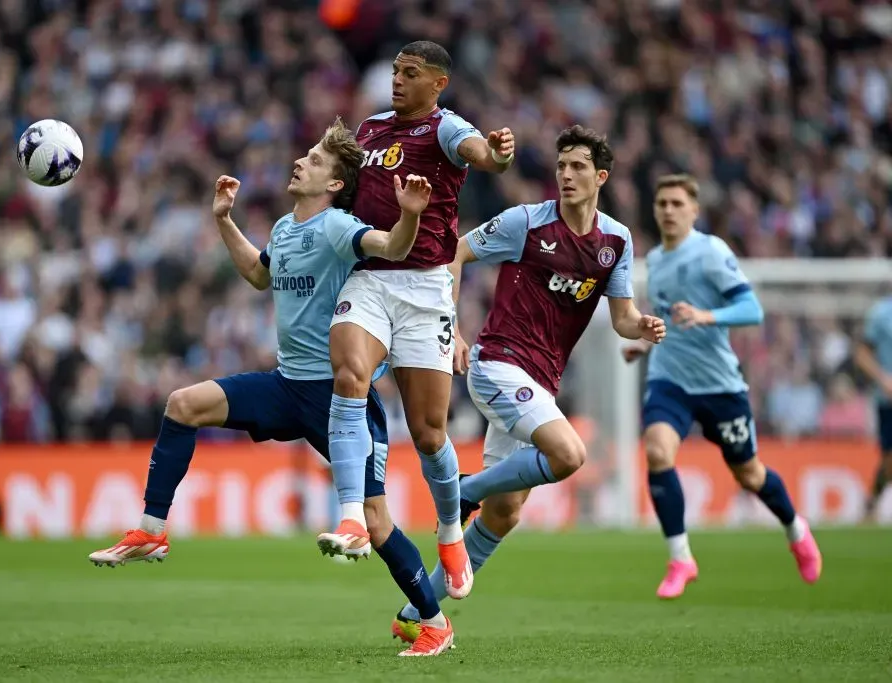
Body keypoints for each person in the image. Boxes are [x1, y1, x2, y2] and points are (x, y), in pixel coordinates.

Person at [88, 119, 456, 656]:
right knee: (183, 404)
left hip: (341, 398)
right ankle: (151, 529)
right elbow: (261, 276)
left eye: (313, 160)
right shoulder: (285, 228)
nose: (299, 162)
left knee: (376, 523)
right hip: (286, 385)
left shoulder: (337, 226)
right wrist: (224, 222)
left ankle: (434, 621)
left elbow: (393, 248)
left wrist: (409, 215)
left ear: (333, 183)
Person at [391, 125, 666, 642]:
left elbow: (623, 317)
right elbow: (457, 251)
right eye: (561, 166)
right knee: (568, 454)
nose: (566, 175)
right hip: (498, 363)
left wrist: (642, 326)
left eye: (578, 166)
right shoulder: (526, 223)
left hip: (541, 381)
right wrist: (450, 330)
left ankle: (416, 614)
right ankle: (462, 491)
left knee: (507, 512)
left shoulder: (616, 241)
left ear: (600, 176)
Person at [322, 40, 516, 601]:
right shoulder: (369, 129)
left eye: (410, 74)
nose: (398, 81)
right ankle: (353, 515)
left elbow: (483, 154)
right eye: (395, 71)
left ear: (438, 84)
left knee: (430, 433)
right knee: (349, 375)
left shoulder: (445, 128)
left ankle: (452, 533)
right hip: (370, 276)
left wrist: (498, 154)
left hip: (427, 289)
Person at [622, 173, 822, 599]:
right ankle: (681, 558)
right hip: (670, 378)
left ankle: (795, 528)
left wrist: (707, 316)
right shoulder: (655, 259)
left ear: (694, 210)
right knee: (657, 452)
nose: (669, 211)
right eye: (662, 204)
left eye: (678, 203)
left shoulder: (711, 252)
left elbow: (752, 309)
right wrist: (645, 345)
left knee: (749, 474)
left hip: (719, 386)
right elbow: (670, 317)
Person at [855, 294, 892, 523]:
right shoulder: (881, 313)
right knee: (889, 458)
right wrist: (883, 379)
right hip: (888, 399)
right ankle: (872, 501)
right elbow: (862, 354)